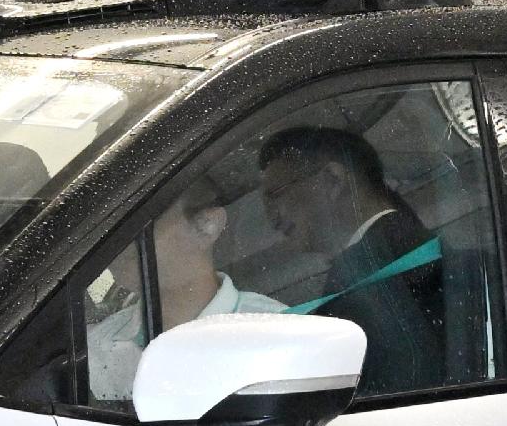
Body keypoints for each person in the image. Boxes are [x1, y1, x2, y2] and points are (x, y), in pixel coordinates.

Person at [258, 122, 451, 394]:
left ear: (332, 180)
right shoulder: (414, 252)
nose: (272, 219)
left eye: (276, 196)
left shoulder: (391, 270)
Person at [86, 168, 287, 400]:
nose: (117, 241)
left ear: (208, 225)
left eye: (139, 224)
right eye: (111, 227)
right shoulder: (96, 347)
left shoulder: (278, 335)